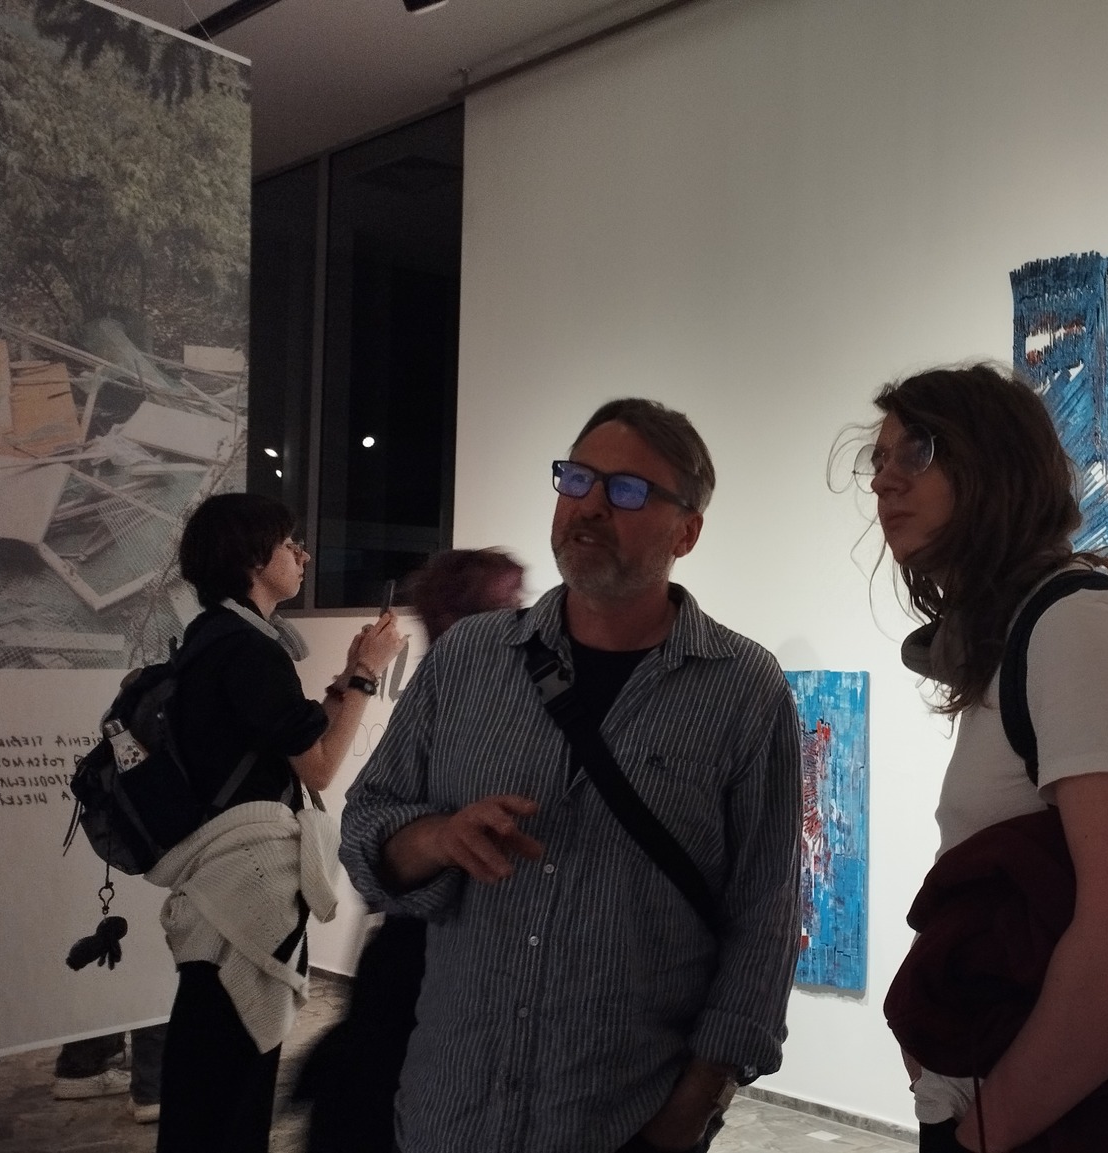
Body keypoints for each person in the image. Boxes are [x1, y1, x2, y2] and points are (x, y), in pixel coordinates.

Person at [340, 398, 801, 1153]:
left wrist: (688, 1115)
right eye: (577, 478)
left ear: (686, 531)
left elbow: (767, 920)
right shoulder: (468, 659)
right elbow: (366, 827)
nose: (589, 505)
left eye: (627, 490)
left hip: (620, 1123)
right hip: (450, 1115)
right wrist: (438, 838)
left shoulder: (743, 689)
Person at [859, 365, 1108, 1151]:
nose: (883, 480)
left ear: (995, 464)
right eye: (876, 460)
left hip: (1075, 1124)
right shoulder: (1025, 633)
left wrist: (987, 1131)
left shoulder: (1079, 628)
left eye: (916, 451)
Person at [152, 492, 404, 1153]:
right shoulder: (248, 650)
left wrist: (349, 673)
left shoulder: (216, 637)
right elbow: (318, 768)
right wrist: (368, 676)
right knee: (230, 1079)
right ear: (251, 560)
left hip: (218, 882)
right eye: (289, 544)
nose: (303, 554)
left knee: (208, 1067)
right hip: (242, 889)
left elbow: (291, 734)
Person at [299, 548, 528, 1153]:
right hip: (426, 949)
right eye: (508, 601)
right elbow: (336, 788)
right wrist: (361, 673)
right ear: (458, 616)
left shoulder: (489, 691)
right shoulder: (462, 695)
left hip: (432, 951)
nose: (523, 615)